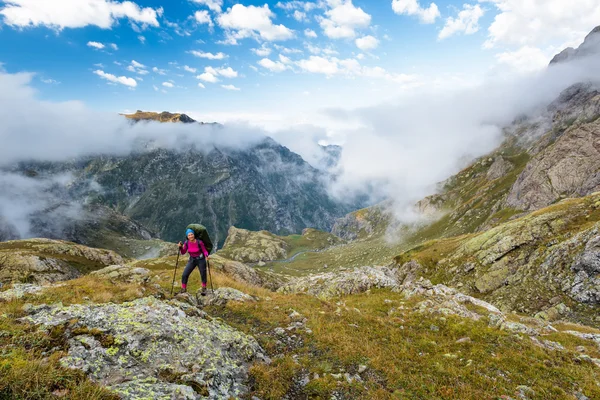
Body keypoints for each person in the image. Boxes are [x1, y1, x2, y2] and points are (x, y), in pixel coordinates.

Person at [178, 228, 210, 295]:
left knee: (203, 274)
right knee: (185, 274)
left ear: (194, 235)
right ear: (187, 236)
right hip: (192, 259)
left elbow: (204, 250)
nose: (190, 236)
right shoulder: (186, 243)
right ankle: (183, 289)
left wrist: (206, 255)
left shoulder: (199, 242)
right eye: (189, 235)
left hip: (201, 259)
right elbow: (183, 252)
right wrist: (181, 247)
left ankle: (204, 288)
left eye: (191, 234)